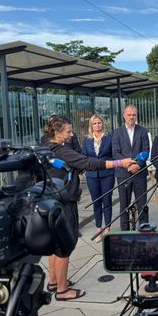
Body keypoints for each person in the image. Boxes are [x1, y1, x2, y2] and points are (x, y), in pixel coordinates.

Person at [44, 115, 133, 300]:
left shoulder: (45, 147)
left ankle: (54, 281)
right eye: (68, 131)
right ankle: (62, 290)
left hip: (51, 201)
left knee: (55, 244)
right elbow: (88, 163)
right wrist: (120, 163)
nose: (71, 135)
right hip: (64, 202)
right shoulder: (62, 151)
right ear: (57, 133)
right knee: (64, 246)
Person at [112, 105, 150, 231]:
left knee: (142, 204)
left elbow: (146, 150)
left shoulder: (143, 131)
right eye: (129, 115)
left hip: (140, 173)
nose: (131, 117)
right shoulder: (117, 132)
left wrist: (137, 165)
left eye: (134, 115)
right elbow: (115, 152)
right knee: (124, 206)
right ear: (124, 116)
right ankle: (125, 233)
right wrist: (129, 165)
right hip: (123, 174)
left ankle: (144, 230)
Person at [82, 114, 115, 243]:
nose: (97, 125)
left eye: (99, 123)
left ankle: (107, 229)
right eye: (94, 123)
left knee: (107, 202)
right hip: (92, 175)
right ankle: (98, 229)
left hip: (107, 174)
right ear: (91, 125)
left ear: (103, 124)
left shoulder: (109, 138)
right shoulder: (87, 140)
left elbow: (113, 155)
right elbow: (84, 157)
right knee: (96, 203)